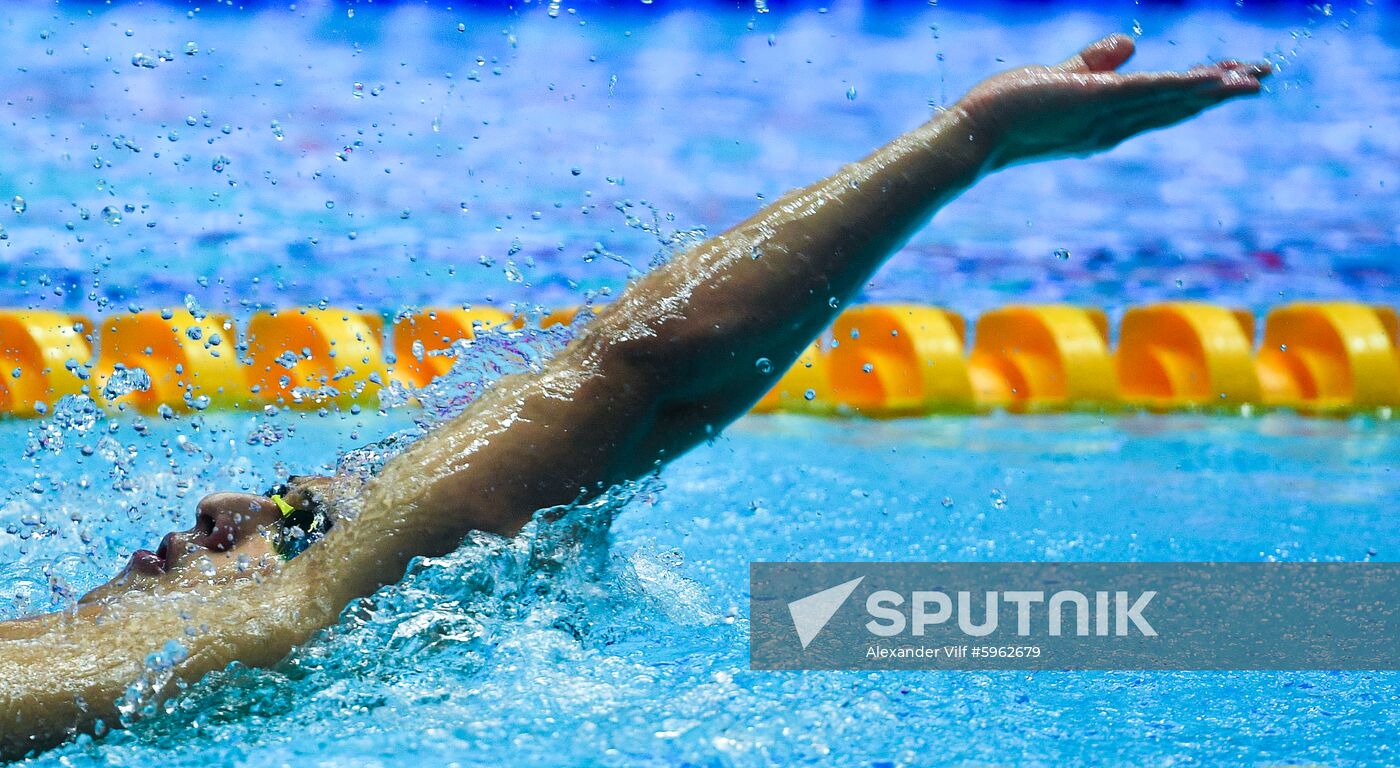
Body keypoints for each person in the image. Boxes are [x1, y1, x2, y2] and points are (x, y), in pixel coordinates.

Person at [0, 34, 1270, 758]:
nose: (224, 501)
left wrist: (965, 141)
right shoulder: (227, 634)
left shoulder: (240, 638)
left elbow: (637, 382)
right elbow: (628, 376)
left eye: (287, 514)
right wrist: (965, 140)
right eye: (283, 510)